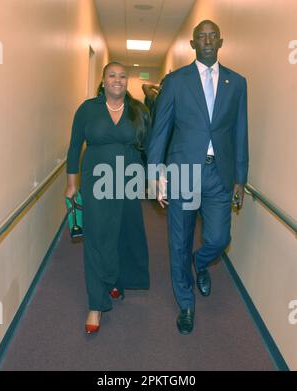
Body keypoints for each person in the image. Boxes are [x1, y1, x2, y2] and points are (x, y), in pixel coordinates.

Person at [147, 20, 248, 334]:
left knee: (219, 238)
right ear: (192, 44)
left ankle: (201, 262)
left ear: (220, 41)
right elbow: (160, 130)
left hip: (219, 175)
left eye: (212, 36)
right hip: (182, 173)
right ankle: (186, 303)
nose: (207, 40)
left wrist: (240, 178)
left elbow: (240, 131)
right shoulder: (175, 82)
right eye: (201, 37)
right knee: (178, 242)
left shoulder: (237, 82)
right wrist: (155, 174)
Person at [65, 62, 150, 334]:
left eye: (123, 76)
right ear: (103, 80)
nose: (118, 80)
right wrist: (71, 184)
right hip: (96, 182)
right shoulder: (88, 109)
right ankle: (96, 303)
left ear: (127, 81)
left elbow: (147, 147)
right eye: (112, 75)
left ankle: (113, 279)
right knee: (97, 237)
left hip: (128, 182)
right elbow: (75, 146)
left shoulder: (138, 110)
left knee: (122, 233)